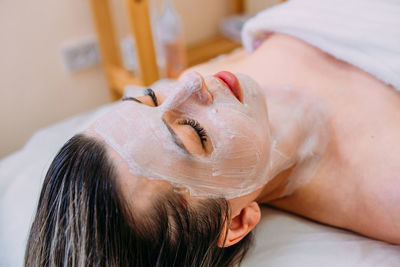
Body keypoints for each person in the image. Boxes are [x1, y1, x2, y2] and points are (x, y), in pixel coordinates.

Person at [25, 0, 400, 266]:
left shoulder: (221, 83)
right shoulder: (388, 185)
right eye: (194, 132)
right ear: (235, 223)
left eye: (149, 98)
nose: (189, 81)